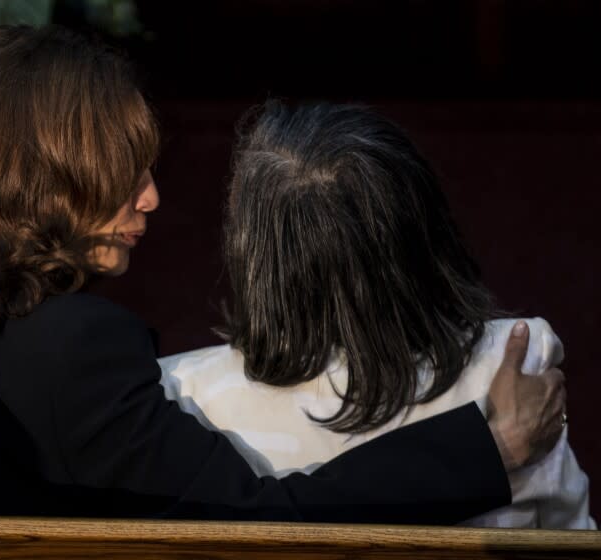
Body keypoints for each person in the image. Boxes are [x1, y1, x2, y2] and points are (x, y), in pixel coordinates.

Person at [0, 26, 565, 521]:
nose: (154, 197)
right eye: (125, 171)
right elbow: (267, 519)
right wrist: (491, 450)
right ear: (43, 177)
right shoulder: (72, 350)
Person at [159, 102, 593, 528]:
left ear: (251, 252)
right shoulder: (511, 363)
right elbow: (573, 538)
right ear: (423, 229)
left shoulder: (181, 391)